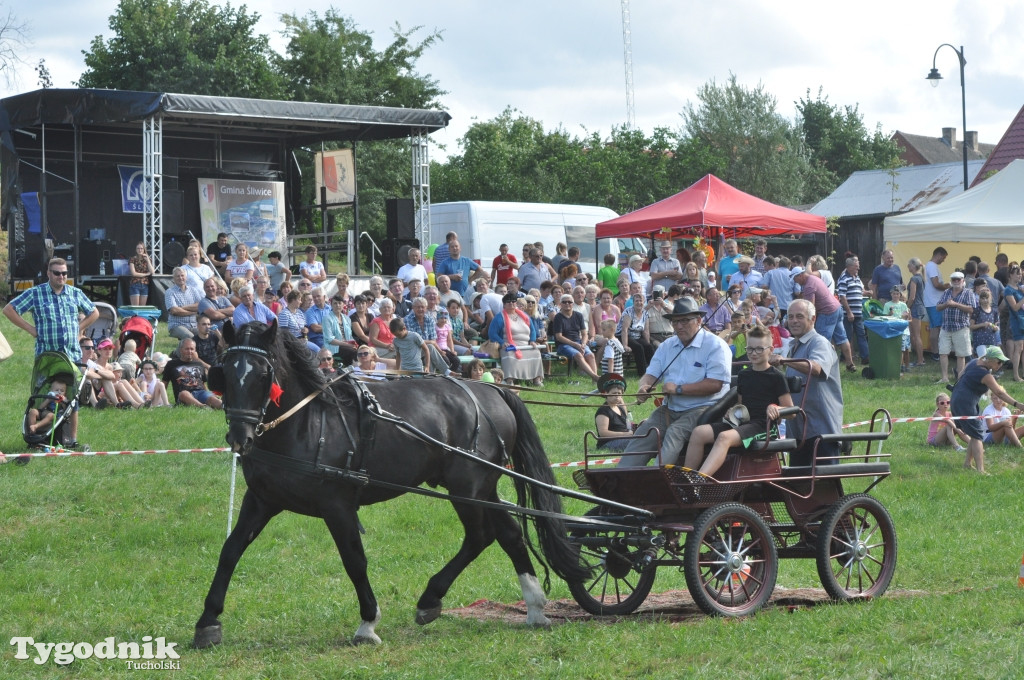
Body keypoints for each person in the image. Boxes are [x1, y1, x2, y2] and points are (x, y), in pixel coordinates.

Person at [616, 296, 732, 467]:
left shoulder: (716, 345)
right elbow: (651, 374)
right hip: (670, 409)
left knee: (675, 433)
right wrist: (643, 387)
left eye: (684, 321)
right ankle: (619, 478)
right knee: (645, 432)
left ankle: (658, 479)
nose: (678, 326)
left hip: (706, 410)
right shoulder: (667, 346)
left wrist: (678, 389)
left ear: (699, 320)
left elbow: (715, 384)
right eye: (675, 322)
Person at [683, 324, 794, 477]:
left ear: (771, 350)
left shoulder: (776, 376)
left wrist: (776, 408)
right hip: (745, 424)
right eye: (750, 349)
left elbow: (791, 412)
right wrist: (734, 410)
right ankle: (685, 478)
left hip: (765, 427)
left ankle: (699, 480)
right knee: (698, 432)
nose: (754, 353)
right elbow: (742, 405)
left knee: (724, 437)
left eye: (759, 349)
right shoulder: (744, 375)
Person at [768, 299, 844, 467]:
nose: (794, 321)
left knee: (825, 487)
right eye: (791, 316)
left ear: (813, 319)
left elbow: (816, 368)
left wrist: (784, 360)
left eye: (800, 316)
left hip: (820, 430)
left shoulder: (819, 342)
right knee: (799, 485)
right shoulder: (794, 345)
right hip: (799, 430)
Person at [951, 346, 1024, 474]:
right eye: (999, 362)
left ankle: (967, 464)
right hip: (965, 403)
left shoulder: (974, 362)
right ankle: (981, 471)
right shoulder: (984, 374)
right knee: (978, 436)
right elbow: (1000, 393)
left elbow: (961, 374)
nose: (1000, 365)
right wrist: (1018, 404)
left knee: (974, 433)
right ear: (990, 360)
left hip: (958, 398)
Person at [793, 266, 855, 373]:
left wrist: (809, 324)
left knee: (822, 341)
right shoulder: (814, 279)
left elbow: (810, 309)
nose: (796, 283)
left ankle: (824, 367)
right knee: (842, 338)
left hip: (827, 312)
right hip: (837, 307)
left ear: (801, 275)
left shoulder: (808, 286)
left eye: (796, 280)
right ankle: (850, 364)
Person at [488, 291, 545, 386]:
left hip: (526, 345)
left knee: (536, 351)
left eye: (513, 301)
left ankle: (536, 379)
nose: (511, 303)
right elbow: (492, 333)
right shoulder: (499, 317)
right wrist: (502, 342)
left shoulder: (524, 316)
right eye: (508, 302)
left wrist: (532, 340)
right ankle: (509, 379)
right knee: (509, 354)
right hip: (509, 346)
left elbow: (533, 330)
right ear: (504, 304)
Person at [936, 271, 977, 385]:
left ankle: (959, 378)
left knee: (961, 355)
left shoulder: (968, 293)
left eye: (958, 279)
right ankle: (944, 377)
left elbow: (972, 309)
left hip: (961, 327)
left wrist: (956, 304)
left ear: (963, 281)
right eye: (954, 279)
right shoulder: (946, 292)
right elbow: (938, 307)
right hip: (946, 327)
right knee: (943, 353)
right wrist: (946, 304)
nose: (956, 281)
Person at [552, 293, 601, 382]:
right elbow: (559, 337)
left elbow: (584, 333)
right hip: (563, 345)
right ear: (561, 304)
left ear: (573, 303)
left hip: (578, 342)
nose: (567, 304)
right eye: (564, 302)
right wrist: (575, 345)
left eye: (569, 302)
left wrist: (583, 343)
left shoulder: (578, 315)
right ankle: (595, 377)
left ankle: (595, 380)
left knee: (590, 355)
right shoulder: (558, 317)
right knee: (578, 355)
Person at [162, 338, 223, 409]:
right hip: (184, 395)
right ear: (181, 350)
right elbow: (164, 383)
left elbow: (203, 383)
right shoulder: (171, 364)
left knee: (213, 400)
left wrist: (209, 394)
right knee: (184, 394)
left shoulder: (199, 364)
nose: (189, 351)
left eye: (192, 349)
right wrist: (163, 400)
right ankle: (203, 407)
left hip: (200, 392)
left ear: (195, 350)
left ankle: (226, 407)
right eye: (187, 349)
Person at [836, 256, 869, 364]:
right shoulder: (843, 279)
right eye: (856, 267)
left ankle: (865, 357)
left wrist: (868, 293)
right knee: (847, 337)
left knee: (861, 335)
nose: (858, 269)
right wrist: (849, 312)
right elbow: (842, 296)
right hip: (847, 314)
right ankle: (844, 357)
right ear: (849, 267)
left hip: (858, 313)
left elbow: (860, 291)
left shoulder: (857, 277)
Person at [594, 373, 633, 451]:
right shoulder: (603, 411)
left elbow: (627, 419)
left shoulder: (620, 408)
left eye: (619, 394)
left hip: (625, 438)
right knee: (634, 442)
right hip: (608, 443)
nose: (617, 396)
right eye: (614, 393)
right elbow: (603, 433)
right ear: (606, 394)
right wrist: (624, 435)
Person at [924, 246, 950, 359]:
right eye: (943, 258)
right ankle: (935, 353)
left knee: (936, 326)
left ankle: (936, 351)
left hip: (933, 301)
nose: (943, 260)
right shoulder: (932, 266)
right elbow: (936, 284)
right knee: (935, 327)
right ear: (938, 255)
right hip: (934, 302)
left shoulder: (929, 266)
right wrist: (946, 286)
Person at [620, 291, 654, 376]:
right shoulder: (628, 312)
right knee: (638, 347)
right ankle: (642, 373)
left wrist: (647, 342)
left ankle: (653, 371)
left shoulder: (645, 313)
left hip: (637, 336)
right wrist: (625, 345)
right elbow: (624, 329)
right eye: (636, 301)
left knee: (649, 347)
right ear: (633, 302)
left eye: (640, 301)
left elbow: (646, 331)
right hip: (624, 336)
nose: (639, 303)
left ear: (644, 302)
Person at [883, 286, 912, 372]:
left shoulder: (903, 305)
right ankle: (899, 366)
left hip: (904, 330)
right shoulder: (887, 305)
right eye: (894, 294)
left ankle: (907, 366)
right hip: (894, 330)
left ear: (900, 295)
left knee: (906, 349)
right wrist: (890, 313)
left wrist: (906, 316)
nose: (895, 295)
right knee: (900, 349)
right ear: (891, 294)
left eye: (897, 294)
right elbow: (884, 317)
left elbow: (907, 317)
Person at [1003, 264, 1024, 382]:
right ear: (1010, 275)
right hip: (1016, 321)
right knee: (1018, 348)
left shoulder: (1020, 288)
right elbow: (1015, 307)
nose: (1020, 276)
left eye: (1021, 273)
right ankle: (1016, 375)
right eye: (1017, 274)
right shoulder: (1008, 290)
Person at [906, 257, 927, 367]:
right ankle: (921, 358)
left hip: (915, 308)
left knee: (916, 335)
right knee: (915, 335)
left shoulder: (914, 279)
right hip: (920, 307)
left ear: (914, 266)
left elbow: (912, 297)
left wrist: (906, 307)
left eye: (909, 265)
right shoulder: (921, 278)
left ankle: (919, 360)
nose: (908, 267)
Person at [971, 288, 1000, 359]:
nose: (985, 300)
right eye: (982, 298)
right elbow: (971, 326)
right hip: (980, 341)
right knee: (983, 361)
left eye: (986, 298)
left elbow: (996, 326)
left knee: (992, 362)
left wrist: (995, 328)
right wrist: (982, 324)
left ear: (990, 298)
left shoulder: (994, 311)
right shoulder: (977, 310)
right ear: (980, 299)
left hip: (992, 341)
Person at [128, 241, 155, 306]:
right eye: (138, 248)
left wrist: (148, 260)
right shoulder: (132, 259)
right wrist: (146, 274)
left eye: (141, 248)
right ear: (136, 249)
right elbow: (134, 273)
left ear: (144, 249)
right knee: (135, 308)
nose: (140, 250)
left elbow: (152, 272)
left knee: (142, 308)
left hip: (145, 285)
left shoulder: (148, 259)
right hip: (135, 284)